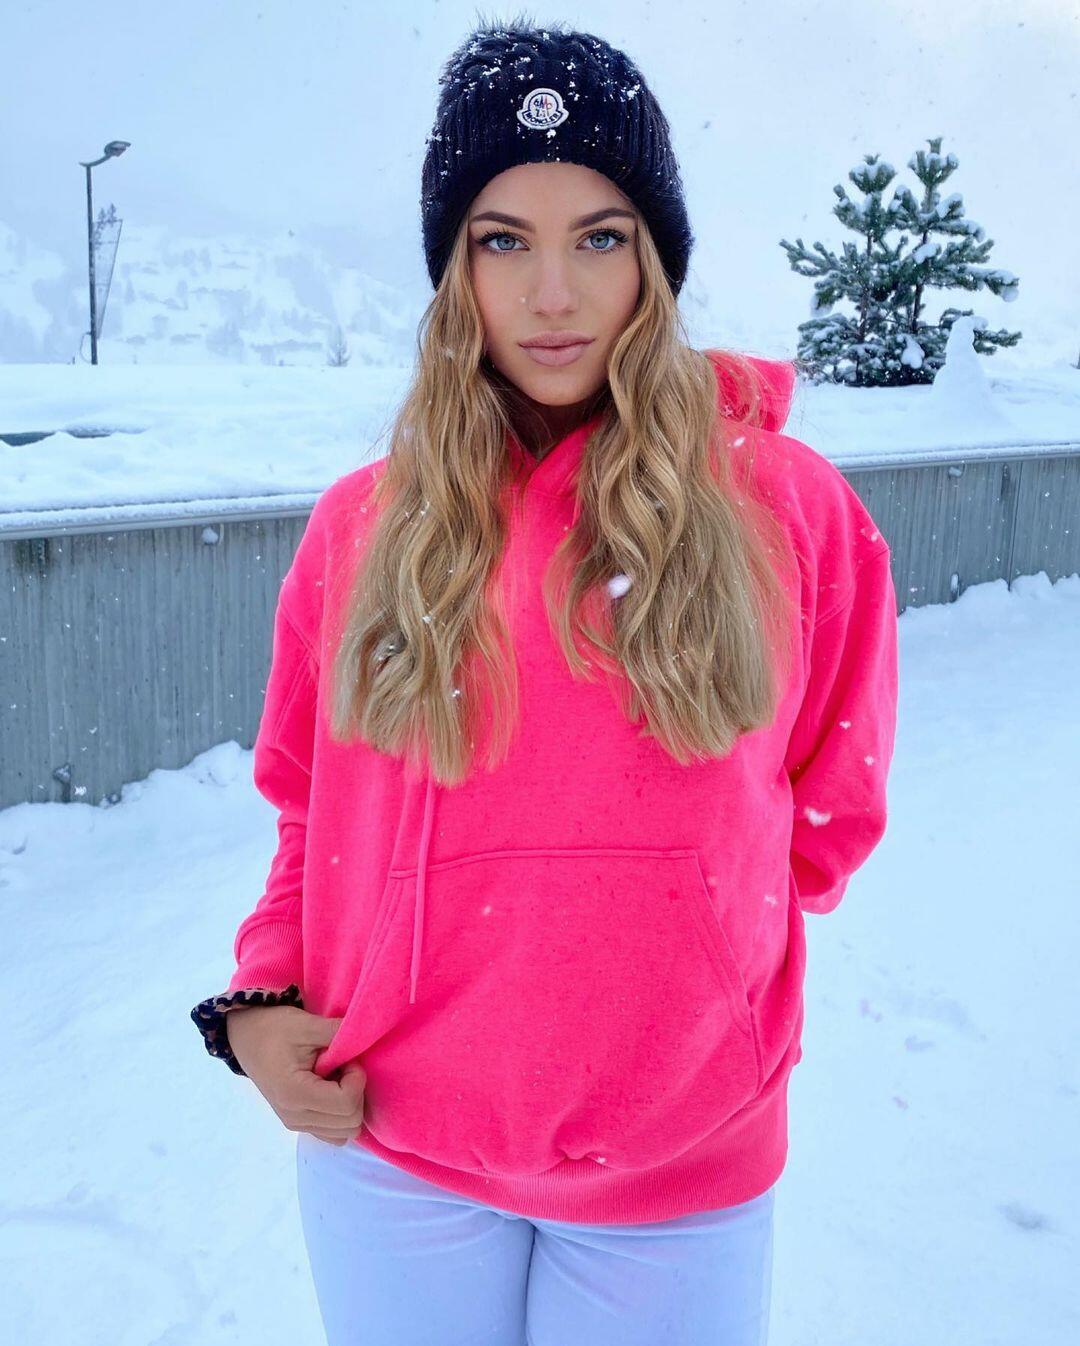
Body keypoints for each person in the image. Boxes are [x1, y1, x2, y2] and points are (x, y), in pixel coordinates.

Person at [190, 18, 899, 1346]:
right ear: (454, 267)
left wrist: (676, 959)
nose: (553, 292)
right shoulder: (363, 529)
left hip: (678, 1172)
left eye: (600, 237)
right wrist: (264, 1000)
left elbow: (826, 812)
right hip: (389, 1155)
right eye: (504, 240)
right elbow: (311, 812)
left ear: (656, 261)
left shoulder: (790, 512)